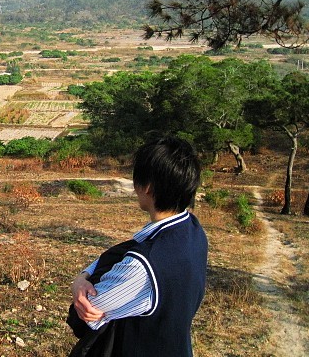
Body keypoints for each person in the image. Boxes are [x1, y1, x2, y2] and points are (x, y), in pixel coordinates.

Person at [68, 135, 208, 357]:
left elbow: (87, 310)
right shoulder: (192, 230)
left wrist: (79, 283)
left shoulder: (143, 265)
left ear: (148, 187)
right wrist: (86, 273)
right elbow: (127, 249)